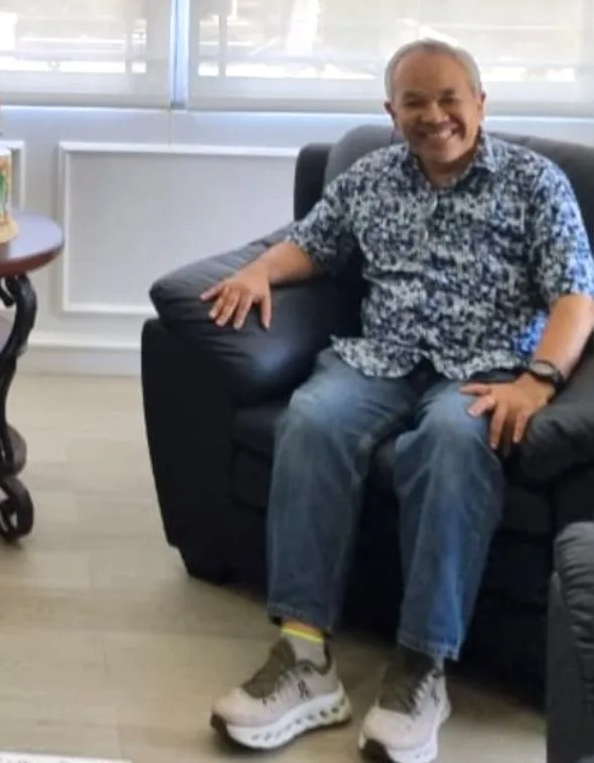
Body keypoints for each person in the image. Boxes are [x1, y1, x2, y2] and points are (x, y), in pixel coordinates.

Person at [201, 38, 594, 762]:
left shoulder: (536, 183)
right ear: (392, 111)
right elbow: (313, 243)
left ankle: (421, 668)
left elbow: (576, 294)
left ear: (481, 103)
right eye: (415, 102)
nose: (434, 115)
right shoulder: (371, 176)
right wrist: (259, 272)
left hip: (485, 371)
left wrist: (538, 380)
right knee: (311, 421)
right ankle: (304, 659)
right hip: (381, 357)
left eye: (450, 98)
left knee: (450, 444)